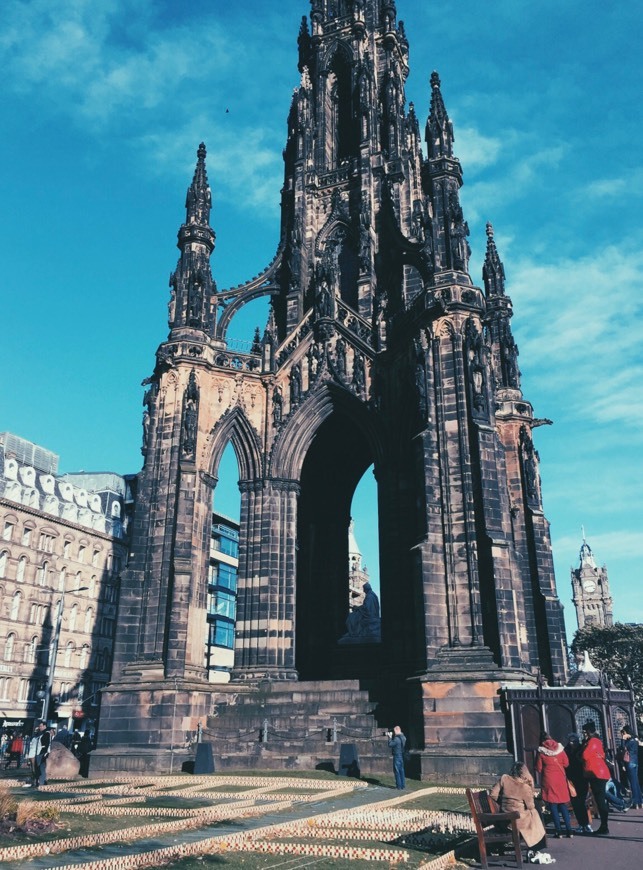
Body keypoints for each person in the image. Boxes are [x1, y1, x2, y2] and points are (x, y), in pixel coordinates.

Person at [489, 762, 548, 860]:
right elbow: (530, 806)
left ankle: (535, 847)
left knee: (534, 815)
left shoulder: (504, 778)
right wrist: (531, 785)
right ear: (524, 774)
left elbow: (493, 795)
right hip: (516, 822)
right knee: (535, 814)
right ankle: (535, 847)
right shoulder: (525, 787)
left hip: (504, 819)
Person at [535, 732, 573, 838]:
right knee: (562, 804)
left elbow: (538, 768)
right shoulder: (560, 750)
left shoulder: (541, 752)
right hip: (560, 780)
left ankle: (559, 831)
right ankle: (569, 830)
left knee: (553, 806)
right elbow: (566, 763)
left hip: (549, 780)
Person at [580, 721, 610, 835]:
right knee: (600, 798)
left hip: (596, 774)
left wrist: (582, 750)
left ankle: (604, 826)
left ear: (588, 732)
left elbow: (585, 755)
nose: (584, 734)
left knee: (600, 800)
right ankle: (604, 825)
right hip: (599, 773)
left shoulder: (592, 741)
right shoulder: (597, 741)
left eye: (585, 732)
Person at [564, 733, 592, 833]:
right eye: (571, 741)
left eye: (574, 741)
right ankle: (581, 823)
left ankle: (586, 824)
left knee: (582, 801)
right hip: (571, 778)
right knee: (576, 802)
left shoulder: (581, 749)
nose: (573, 743)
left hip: (582, 777)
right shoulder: (566, 750)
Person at [619, 726, 642, 809]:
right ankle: (640, 801)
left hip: (630, 762)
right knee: (636, 782)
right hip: (635, 762)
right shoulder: (635, 739)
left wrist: (623, 738)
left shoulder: (628, 741)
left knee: (632, 783)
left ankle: (636, 802)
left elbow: (622, 747)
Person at [32, 720, 51, 788]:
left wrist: (45, 753)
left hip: (42, 752)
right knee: (39, 767)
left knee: (41, 767)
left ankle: (41, 782)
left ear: (44, 726)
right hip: (39, 752)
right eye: (39, 726)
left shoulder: (46, 733)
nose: (39, 727)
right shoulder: (41, 733)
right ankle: (40, 781)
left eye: (41, 726)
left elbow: (47, 744)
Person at [387, 725, 406, 790]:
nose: (394, 733)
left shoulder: (397, 739)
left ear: (397, 731)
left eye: (394, 731)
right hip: (401, 755)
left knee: (397, 771)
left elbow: (390, 744)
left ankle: (398, 786)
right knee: (401, 770)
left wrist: (389, 738)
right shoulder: (403, 737)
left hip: (397, 755)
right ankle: (403, 785)